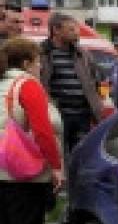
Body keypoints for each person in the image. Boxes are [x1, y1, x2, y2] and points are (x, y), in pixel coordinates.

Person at [0, 38, 65, 224]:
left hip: (5, 172)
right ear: (27, 62)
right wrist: (56, 166)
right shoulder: (27, 86)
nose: (41, 65)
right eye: (38, 60)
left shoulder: (3, 85)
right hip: (26, 175)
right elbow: (42, 131)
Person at [38, 13, 101, 154]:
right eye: (71, 29)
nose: (77, 32)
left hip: (82, 116)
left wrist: (98, 105)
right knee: (58, 153)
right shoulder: (42, 53)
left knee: (80, 153)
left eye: (77, 29)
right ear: (56, 30)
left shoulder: (82, 54)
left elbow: (96, 80)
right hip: (58, 116)